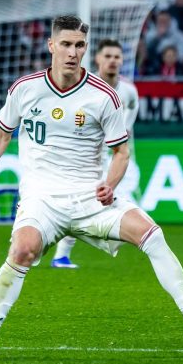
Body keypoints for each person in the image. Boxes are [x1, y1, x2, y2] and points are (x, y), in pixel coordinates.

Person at [0, 15, 183, 357]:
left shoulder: (105, 96)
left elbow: (121, 152)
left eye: (79, 45)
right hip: (42, 198)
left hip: (90, 197)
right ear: (51, 46)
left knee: (151, 234)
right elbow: (1, 134)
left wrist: (110, 183)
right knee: (22, 250)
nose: (73, 52)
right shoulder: (24, 88)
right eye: (66, 44)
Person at [51, 39, 141, 269]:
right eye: (108, 56)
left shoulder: (128, 90)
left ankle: (66, 253)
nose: (112, 61)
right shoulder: (85, 87)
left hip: (117, 154)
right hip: (88, 154)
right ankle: (59, 254)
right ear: (98, 59)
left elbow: (132, 107)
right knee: (80, 202)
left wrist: (125, 127)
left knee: (118, 200)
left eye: (117, 57)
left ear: (122, 61)